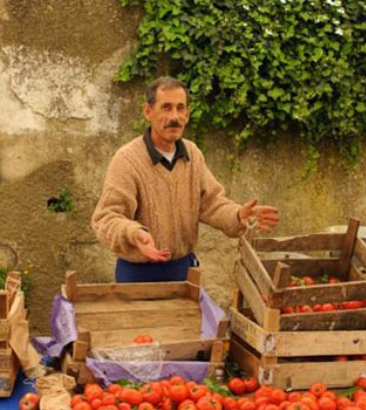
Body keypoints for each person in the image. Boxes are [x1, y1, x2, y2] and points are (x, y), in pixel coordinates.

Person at [91, 76, 280, 282]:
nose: (174, 116)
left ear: (187, 115)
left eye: (180, 108)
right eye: (166, 107)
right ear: (148, 112)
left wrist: (237, 215)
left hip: (183, 272)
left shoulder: (193, 154)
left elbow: (212, 205)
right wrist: (134, 233)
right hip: (138, 275)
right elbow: (105, 219)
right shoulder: (127, 160)